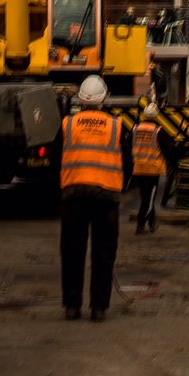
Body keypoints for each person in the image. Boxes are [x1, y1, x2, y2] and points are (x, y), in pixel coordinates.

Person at [60, 74, 132, 322]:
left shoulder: (68, 124)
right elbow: (129, 162)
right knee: (103, 253)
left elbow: (56, 157)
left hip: (74, 194)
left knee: (72, 252)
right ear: (104, 99)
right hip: (106, 197)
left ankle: (72, 306)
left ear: (81, 98)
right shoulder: (117, 126)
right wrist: (120, 186)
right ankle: (98, 308)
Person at [131, 103, 175, 232]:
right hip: (152, 169)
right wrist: (172, 163)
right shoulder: (158, 131)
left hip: (138, 167)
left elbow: (130, 147)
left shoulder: (135, 129)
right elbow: (168, 149)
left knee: (146, 197)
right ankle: (141, 224)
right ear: (156, 116)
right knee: (149, 199)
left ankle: (152, 223)